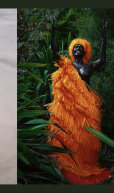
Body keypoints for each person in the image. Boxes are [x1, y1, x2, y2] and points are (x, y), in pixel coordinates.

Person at [47, 22, 112, 184]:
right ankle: (68, 166)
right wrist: (52, 34)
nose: (77, 49)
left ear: (85, 51)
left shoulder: (89, 67)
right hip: (68, 108)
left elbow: (102, 60)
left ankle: (84, 165)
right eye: (75, 47)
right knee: (68, 136)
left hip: (86, 108)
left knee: (84, 138)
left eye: (80, 47)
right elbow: (54, 53)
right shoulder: (66, 64)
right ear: (71, 51)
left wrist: (103, 38)